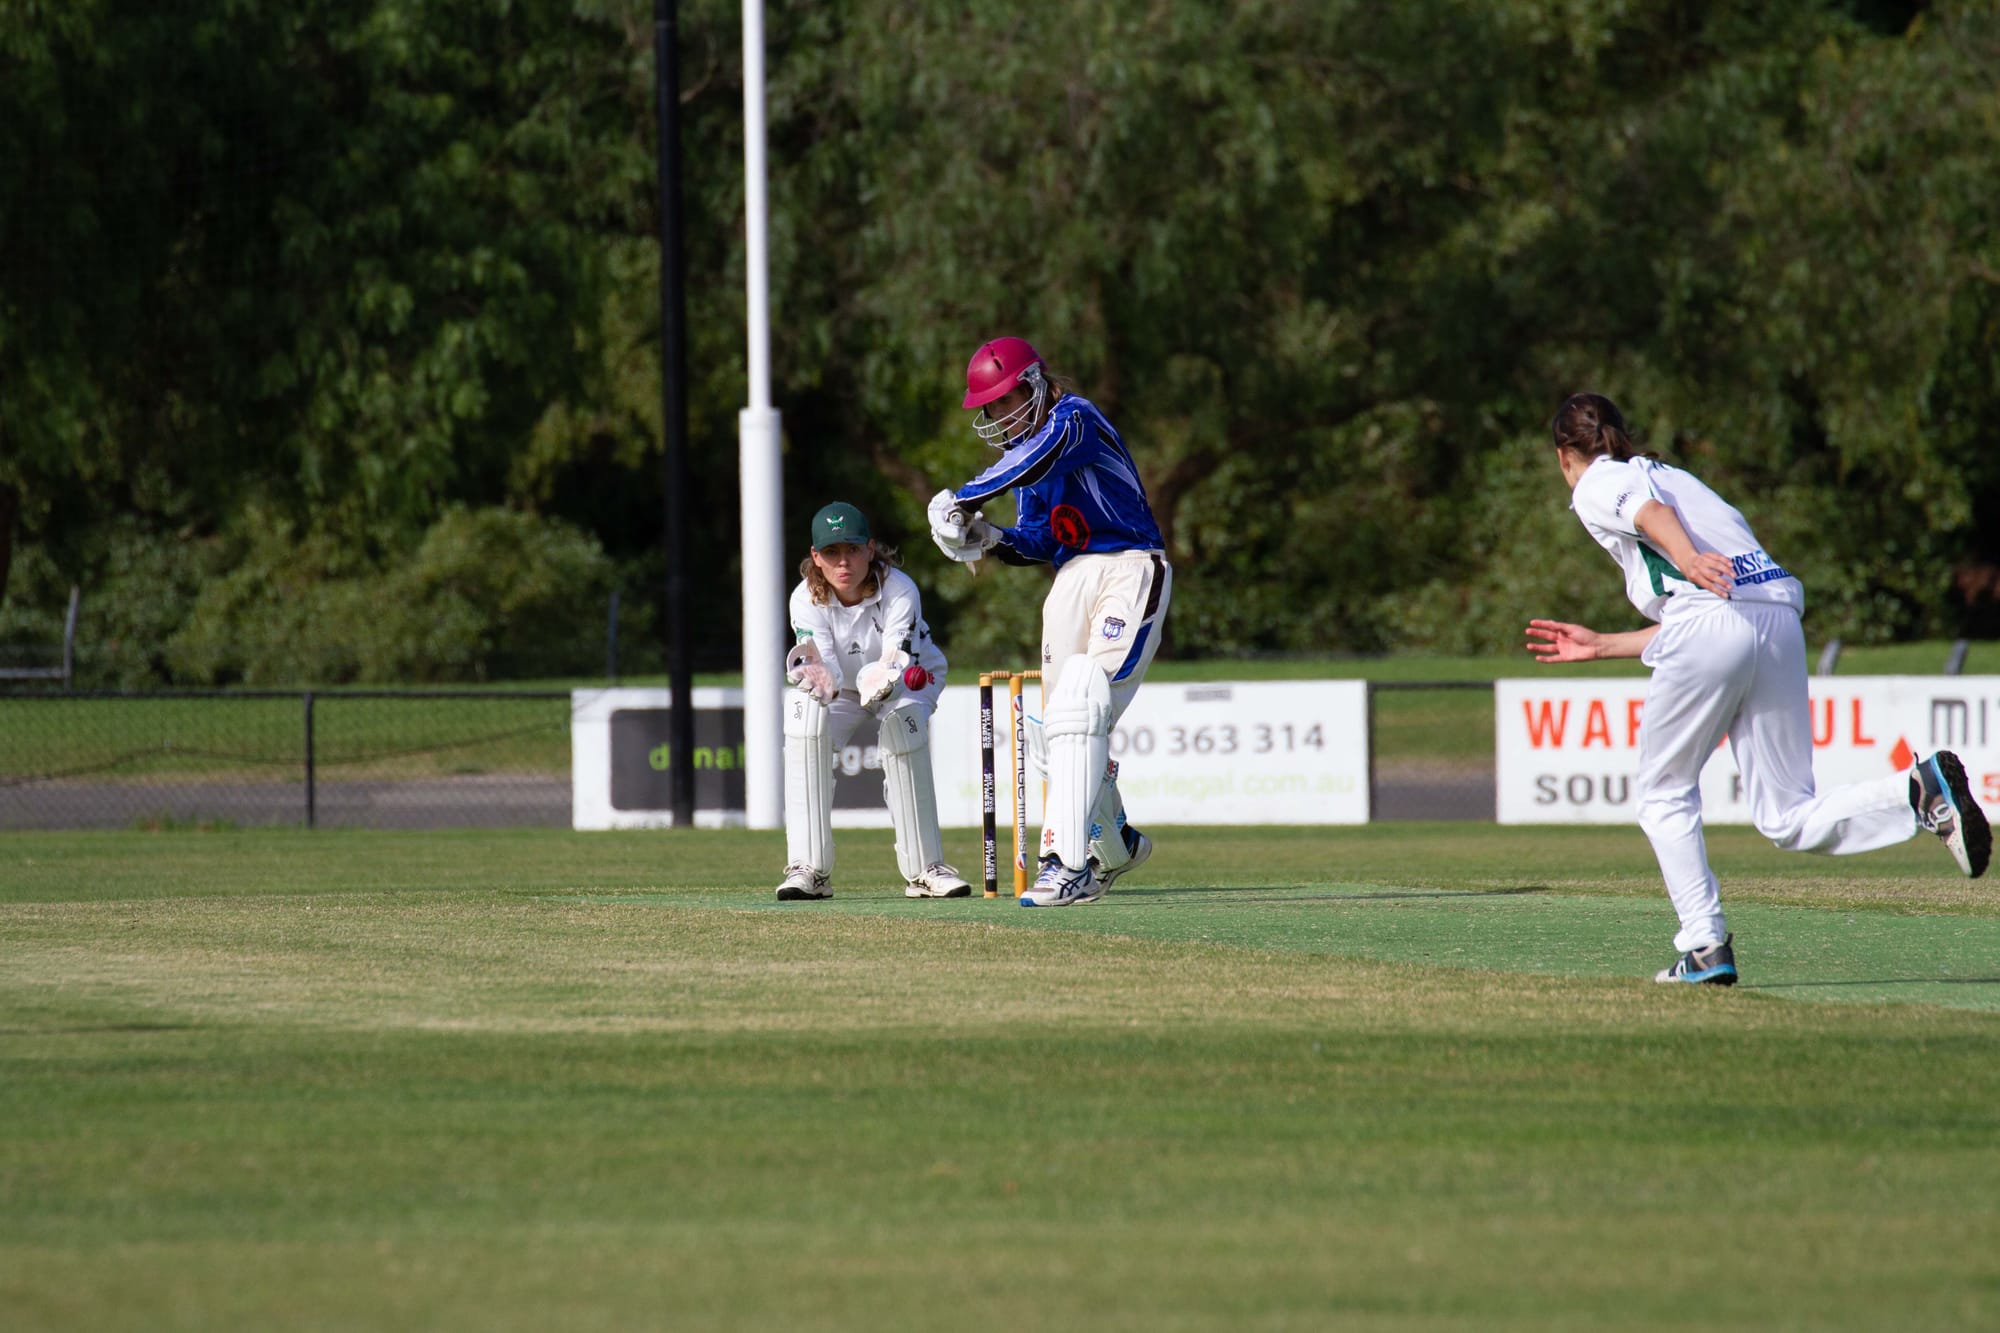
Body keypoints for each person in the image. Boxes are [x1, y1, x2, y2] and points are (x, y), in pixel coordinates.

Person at [1525, 392, 1991, 984]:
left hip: (1711, 617)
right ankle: (1917, 790)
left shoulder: (1597, 478)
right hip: (1773, 620)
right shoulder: (1676, 475)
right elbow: (1711, 598)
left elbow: (1651, 520)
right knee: (1787, 815)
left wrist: (1689, 560)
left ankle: (1703, 945)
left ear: (1565, 452)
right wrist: (1601, 644)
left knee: (1663, 794)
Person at [927, 337, 1171, 907]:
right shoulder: (1026, 464)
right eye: (989, 408)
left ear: (1035, 384)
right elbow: (1038, 539)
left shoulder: (1074, 418)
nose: (998, 416)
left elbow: (1036, 457)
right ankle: (1115, 847)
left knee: (1084, 702)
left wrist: (961, 499)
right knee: (1053, 731)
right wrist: (989, 537)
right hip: (1071, 577)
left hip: (1129, 565)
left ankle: (1064, 862)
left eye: (1006, 399)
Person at [777, 501, 971, 902]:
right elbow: (823, 661)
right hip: (844, 688)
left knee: (903, 729)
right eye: (831, 553)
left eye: (851, 549)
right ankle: (808, 869)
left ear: (869, 549)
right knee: (803, 725)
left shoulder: (900, 590)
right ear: (816, 557)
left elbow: (893, 659)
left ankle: (925, 870)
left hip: (906, 677)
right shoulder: (804, 599)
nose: (842, 562)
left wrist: (879, 678)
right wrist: (821, 680)